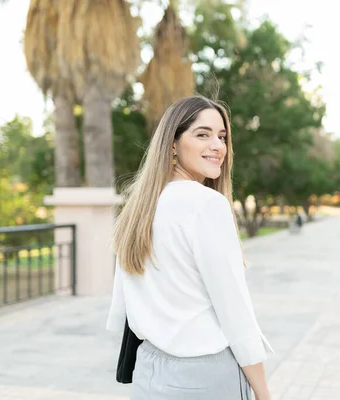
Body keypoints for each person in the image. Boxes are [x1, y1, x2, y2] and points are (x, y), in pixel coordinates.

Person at [106, 96, 274, 400]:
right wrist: (263, 392)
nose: (218, 146)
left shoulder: (139, 208)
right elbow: (235, 313)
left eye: (221, 137)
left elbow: (123, 306)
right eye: (202, 134)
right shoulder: (207, 205)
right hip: (204, 376)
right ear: (173, 143)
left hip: (149, 371)